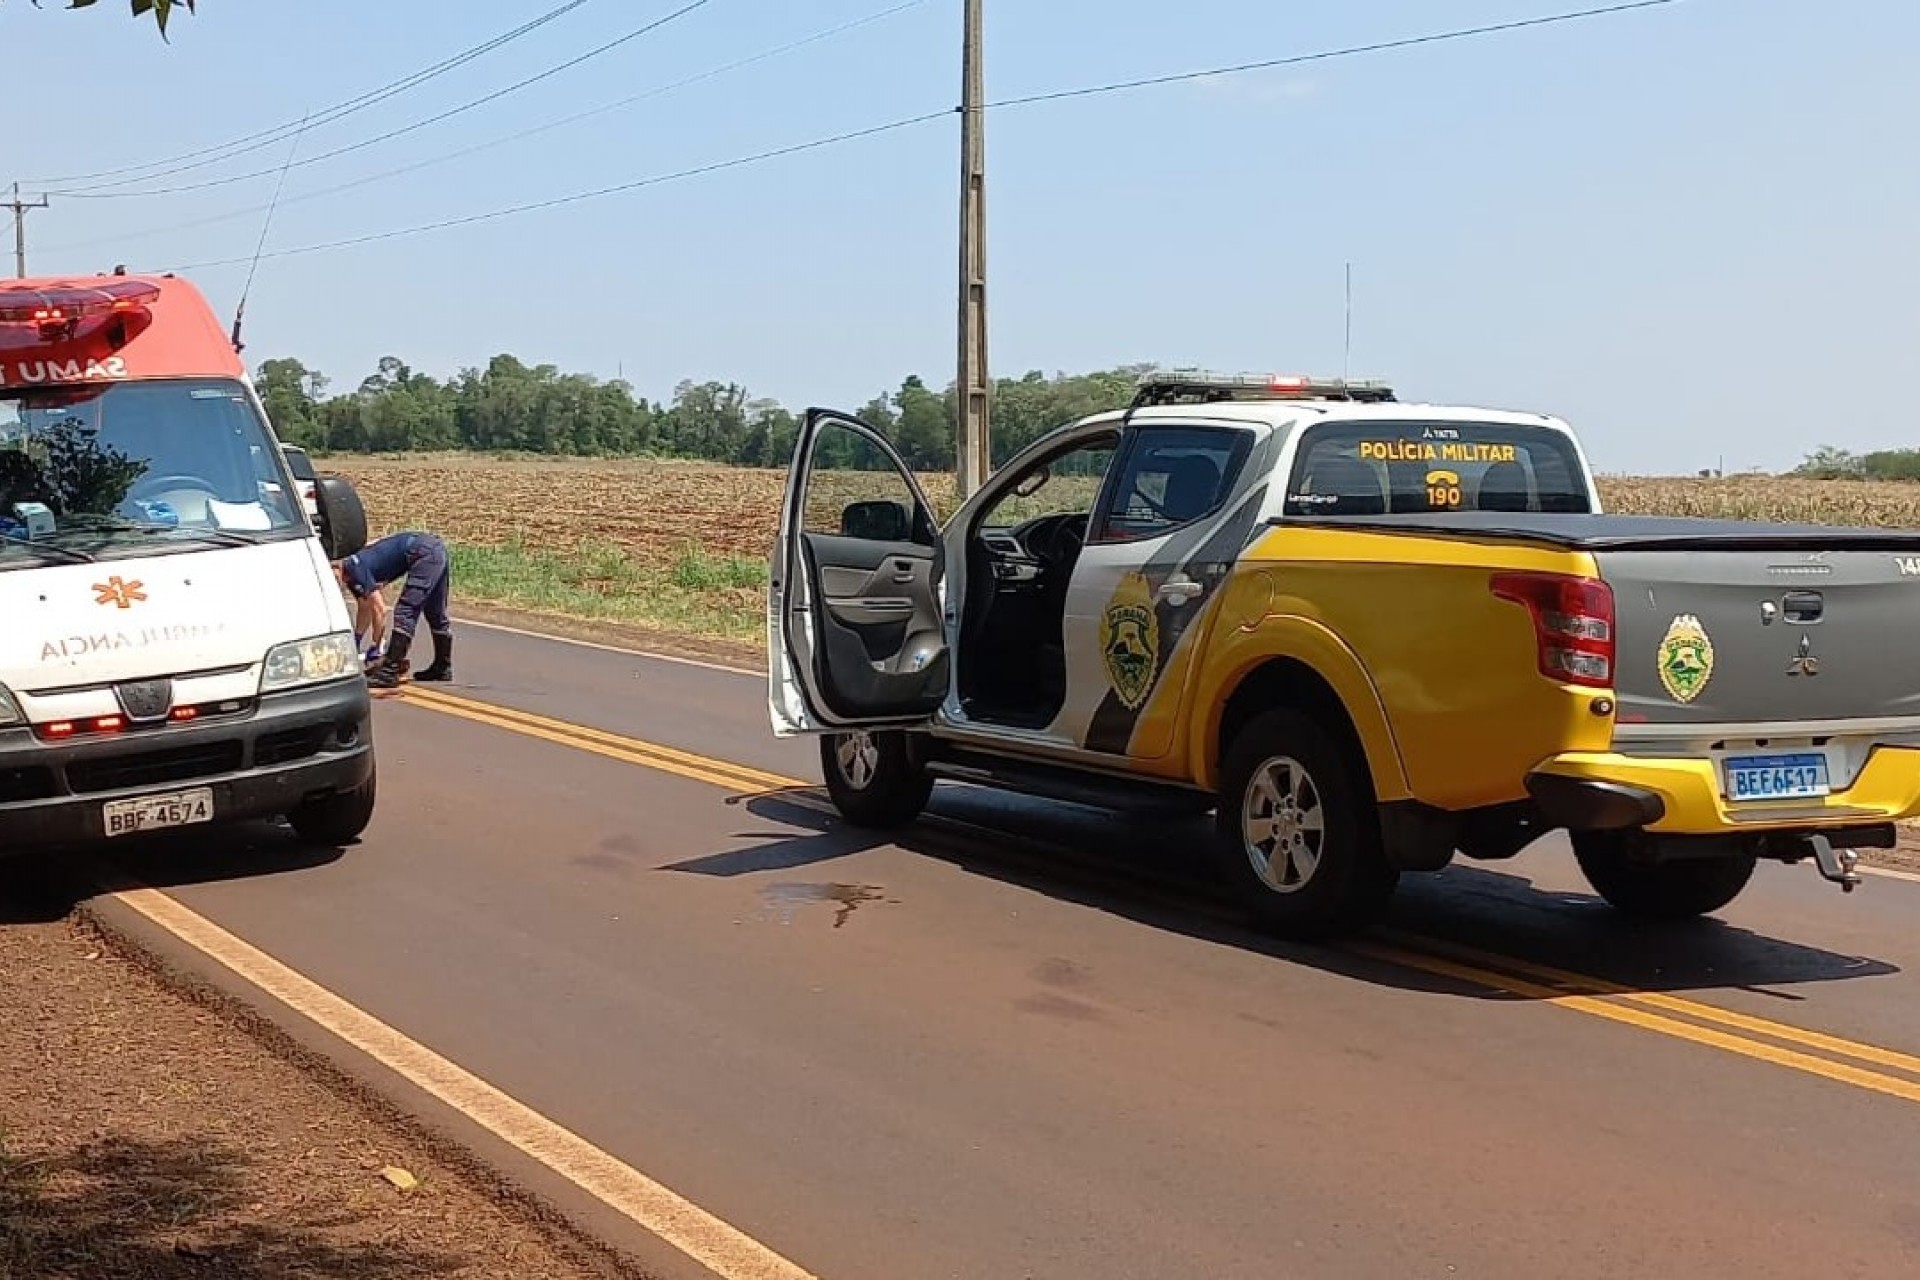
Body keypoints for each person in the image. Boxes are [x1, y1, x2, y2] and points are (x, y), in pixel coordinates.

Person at [335, 530, 453, 689]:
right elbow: (365, 607)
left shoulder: (352, 566)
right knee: (434, 611)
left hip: (422, 552)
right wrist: (356, 640)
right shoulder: (351, 575)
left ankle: (390, 671)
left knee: (405, 612)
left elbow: (379, 609)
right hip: (433, 549)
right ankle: (442, 667)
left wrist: (376, 648)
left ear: (336, 567)